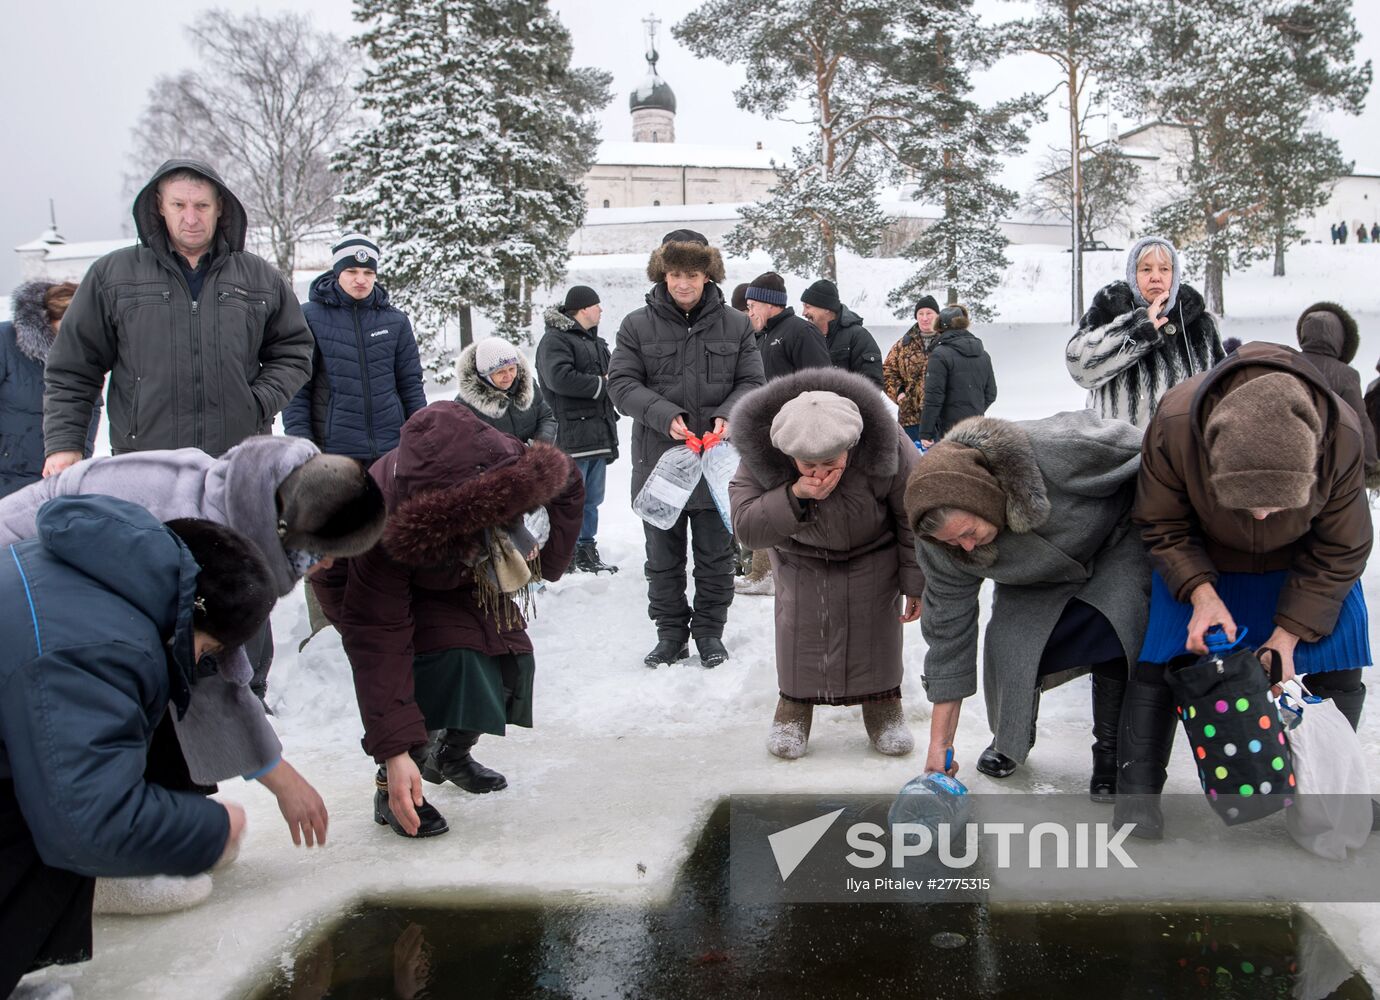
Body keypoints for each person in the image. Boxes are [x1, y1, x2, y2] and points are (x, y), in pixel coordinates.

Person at [0, 435, 384, 913]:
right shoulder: (197, 519)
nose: (326, 565)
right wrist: (280, 783)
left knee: (156, 684)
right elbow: (209, 681)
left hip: (51, 613)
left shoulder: (235, 506)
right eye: (326, 551)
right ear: (292, 529)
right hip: (31, 613)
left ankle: (137, 839)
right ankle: (103, 872)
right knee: (109, 716)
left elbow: (206, 667)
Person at [0, 495, 277, 996]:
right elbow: (87, 823)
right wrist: (212, 828)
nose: (200, 663)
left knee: (42, 798)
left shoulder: (89, 578)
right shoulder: (104, 646)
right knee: (52, 819)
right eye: (210, 650)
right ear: (194, 616)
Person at [1129, 341, 1372, 839]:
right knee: (1160, 657)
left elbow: (1343, 547)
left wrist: (1289, 633)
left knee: (1340, 647)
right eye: (1247, 502)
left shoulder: (1342, 434)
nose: (1261, 516)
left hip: (1302, 563)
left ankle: (1323, 794)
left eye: (1275, 504)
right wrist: (1199, 592)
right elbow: (1161, 524)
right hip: (1206, 561)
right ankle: (1137, 798)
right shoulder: (1176, 423)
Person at [313, 403, 583, 838]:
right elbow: (380, 643)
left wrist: (546, 560)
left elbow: (567, 479)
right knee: (446, 665)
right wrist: (394, 750)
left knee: (511, 661)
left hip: (454, 572)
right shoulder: (384, 520)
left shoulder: (505, 457)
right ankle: (393, 787)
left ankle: (450, 756)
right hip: (365, 588)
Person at [904, 410, 1148, 794]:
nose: (966, 548)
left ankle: (1110, 753)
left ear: (985, 497)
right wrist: (940, 745)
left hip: (1116, 545)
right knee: (1010, 645)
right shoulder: (940, 543)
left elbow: (1155, 457)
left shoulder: (1062, 449)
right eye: (955, 543)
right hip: (1034, 578)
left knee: (1115, 630)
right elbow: (949, 635)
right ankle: (1010, 740)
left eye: (968, 532)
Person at [43, 158, 313, 470]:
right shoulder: (113, 276)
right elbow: (73, 367)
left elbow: (294, 351)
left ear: (220, 207)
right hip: (146, 464)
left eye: (202, 205)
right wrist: (65, 443)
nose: (191, 218)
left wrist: (258, 402)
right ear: (159, 206)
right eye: (178, 204)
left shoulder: (259, 278)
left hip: (236, 463)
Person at [729, 370, 924, 758]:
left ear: (852, 444)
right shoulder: (764, 449)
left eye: (831, 461)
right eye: (807, 465)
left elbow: (913, 515)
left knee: (877, 637)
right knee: (800, 633)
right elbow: (746, 527)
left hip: (874, 557)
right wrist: (795, 494)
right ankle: (793, 709)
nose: (819, 473)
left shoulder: (888, 442)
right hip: (800, 560)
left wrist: (915, 583)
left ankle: (885, 706)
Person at [607, 229, 765, 669]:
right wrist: (663, 414)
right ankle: (670, 635)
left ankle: (710, 634)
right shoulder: (636, 324)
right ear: (663, 273)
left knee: (716, 558)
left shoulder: (736, 325)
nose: (683, 283)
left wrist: (729, 413)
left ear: (707, 275)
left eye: (693, 274)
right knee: (662, 559)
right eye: (675, 273)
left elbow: (752, 382)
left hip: (717, 466)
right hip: (660, 463)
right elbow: (621, 385)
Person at [283, 234, 428, 463]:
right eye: (352, 271)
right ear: (337, 272)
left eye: (368, 273)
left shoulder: (396, 321)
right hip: (332, 453)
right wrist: (302, 448)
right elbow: (297, 391)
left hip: (391, 449)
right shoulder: (309, 317)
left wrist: (422, 438)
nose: (361, 279)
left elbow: (410, 385)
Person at [1066, 235, 1223, 428]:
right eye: (1146, 269)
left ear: (1175, 275)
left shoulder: (1199, 322)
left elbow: (1221, 390)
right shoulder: (1109, 310)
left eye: (1164, 269)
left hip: (1182, 452)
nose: (1155, 276)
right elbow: (1079, 369)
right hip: (1123, 451)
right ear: (1133, 274)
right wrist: (1137, 330)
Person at [537, 285, 620, 575]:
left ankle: (586, 548)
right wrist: (603, 384)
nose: (601, 311)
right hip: (571, 436)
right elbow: (559, 378)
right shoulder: (555, 341)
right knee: (569, 498)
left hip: (598, 434)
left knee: (592, 499)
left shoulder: (596, 342)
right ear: (583, 308)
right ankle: (564, 552)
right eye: (597, 305)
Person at [1, 280, 97, 498]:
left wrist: (77, 457)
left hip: (50, 477)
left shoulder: (81, 355)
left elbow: (90, 408)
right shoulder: (5, 340)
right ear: (50, 320)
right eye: (72, 323)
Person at [1295, 302, 1378, 485]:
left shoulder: (1288, 363)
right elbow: (1360, 421)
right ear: (1341, 338)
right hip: (1332, 466)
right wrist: (1370, 464)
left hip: (1293, 459)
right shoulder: (1346, 375)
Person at [916, 305, 997, 448]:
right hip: (977, 427)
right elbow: (991, 394)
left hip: (950, 431)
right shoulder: (983, 355)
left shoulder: (939, 355)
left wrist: (926, 432)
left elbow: (934, 397)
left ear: (940, 325)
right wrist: (973, 410)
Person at [742, 272, 832, 381]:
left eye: (752, 306)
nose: (750, 313)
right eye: (748, 307)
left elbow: (822, 382)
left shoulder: (802, 332)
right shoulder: (760, 337)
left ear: (769, 302)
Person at [799, 279, 884, 388]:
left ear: (826, 308)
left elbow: (872, 383)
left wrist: (842, 402)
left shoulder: (857, 336)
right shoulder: (806, 337)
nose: (803, 313)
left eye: (808, 307)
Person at [883, 295, 941, 445]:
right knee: (912, 464)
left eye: (929, 313)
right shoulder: (903, 344)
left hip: (941, 418)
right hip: (910, 419)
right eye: (921, 314)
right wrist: (899, 393)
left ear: (937, 316)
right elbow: (887, 371)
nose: (925, 318)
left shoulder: (947, 342)